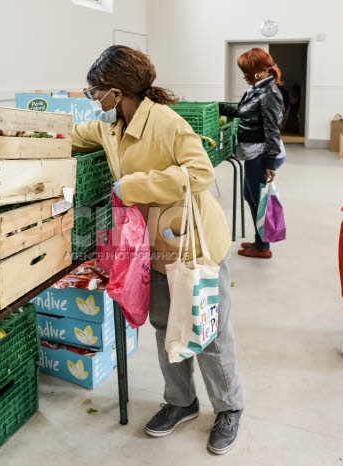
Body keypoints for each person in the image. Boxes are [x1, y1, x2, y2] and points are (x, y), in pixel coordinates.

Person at [72, 45, 244, 455]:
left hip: (193, 243)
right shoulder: (111, 128)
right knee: (166, 324)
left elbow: (199, 172)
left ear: (118, 91)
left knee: (209, 328)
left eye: (96, 92)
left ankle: (230, 407)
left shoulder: (166, 123)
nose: (94, 100)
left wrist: (134, 186)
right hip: (156, 247)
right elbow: (71, 135)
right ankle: (181, 401)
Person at [220, 48, 286, 259]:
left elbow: (272, 130)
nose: (244, 75)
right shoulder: (256, 89)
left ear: (258, 72)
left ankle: (263, 246)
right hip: (254, 152)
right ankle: (260, 240)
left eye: (246, 71)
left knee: (259, 200)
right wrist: (219, 107)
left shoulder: (269, 94)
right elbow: (242, 112)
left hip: (261, 153)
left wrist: (268, 163)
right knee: (252, 196)